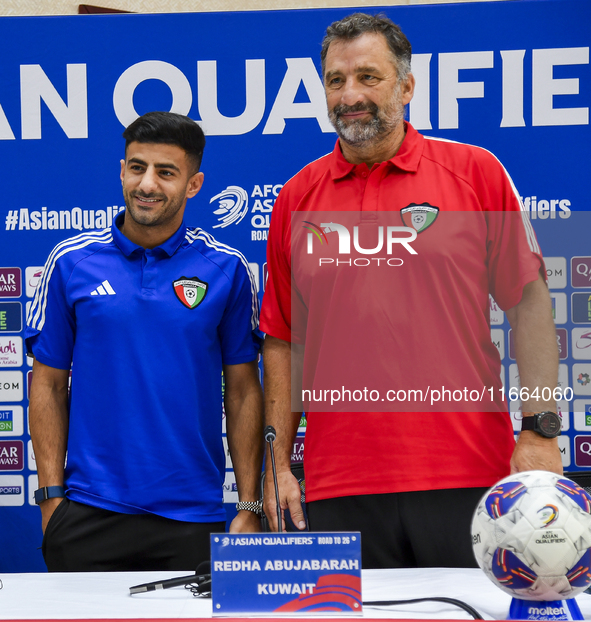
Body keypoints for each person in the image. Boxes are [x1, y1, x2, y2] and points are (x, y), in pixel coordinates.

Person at [260, 13, 563, 568]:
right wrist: (278, 464)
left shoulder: (476, 173)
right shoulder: (295, 199)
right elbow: (284, 340)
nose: (349, 95)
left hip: (469, 472)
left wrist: (540, 432)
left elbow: (531, 304)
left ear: (405, 86)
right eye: (335, 80)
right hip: (339, 486)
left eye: (368, 77)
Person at [25, 111, 264, 572]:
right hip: (89, 512)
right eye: (137, 167)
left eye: (166, 172)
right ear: (121, 170)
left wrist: (249, 505)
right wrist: (51, 500)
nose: (147, 184)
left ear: (193, 185)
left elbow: (241, 391)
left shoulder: (226, 268)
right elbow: (48, 385)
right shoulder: (71, 262)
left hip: (196, 517)